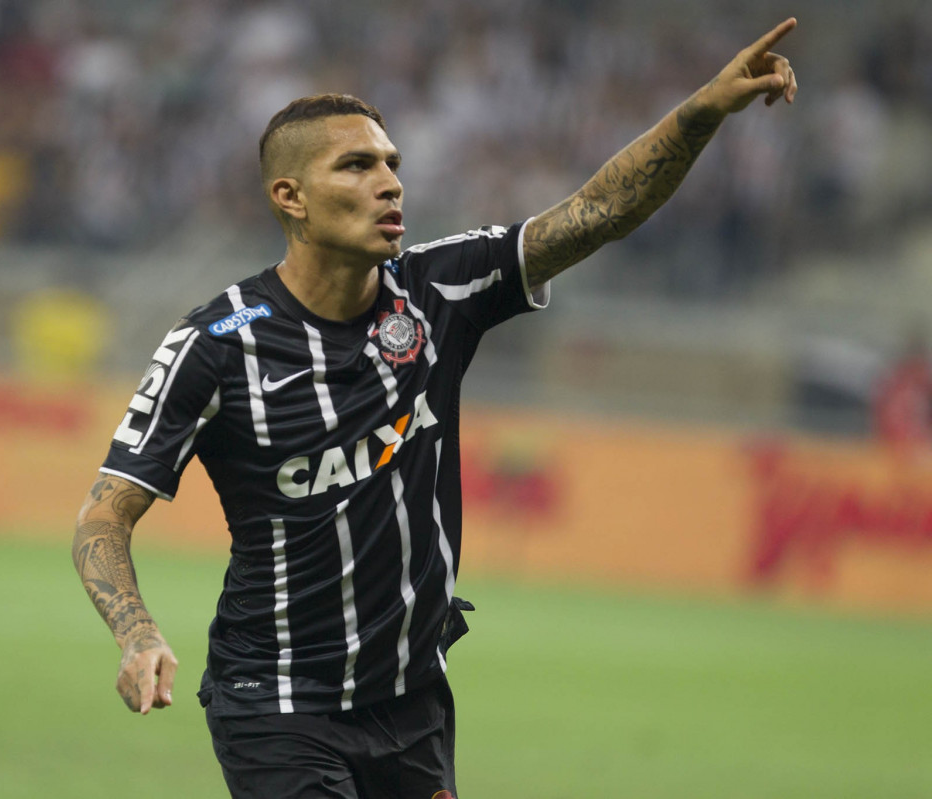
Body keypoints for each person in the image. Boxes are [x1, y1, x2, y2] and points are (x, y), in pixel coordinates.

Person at [73, 19, 798, 799]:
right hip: (277, 704)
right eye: (356, 165)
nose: (390, 182)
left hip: (415, 701)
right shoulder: (216, 344)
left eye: (392, 163)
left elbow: (597, 212)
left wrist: (700, 114)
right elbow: (104, 516)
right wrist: (136, 630)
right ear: (291, 197)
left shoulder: (440, 289)